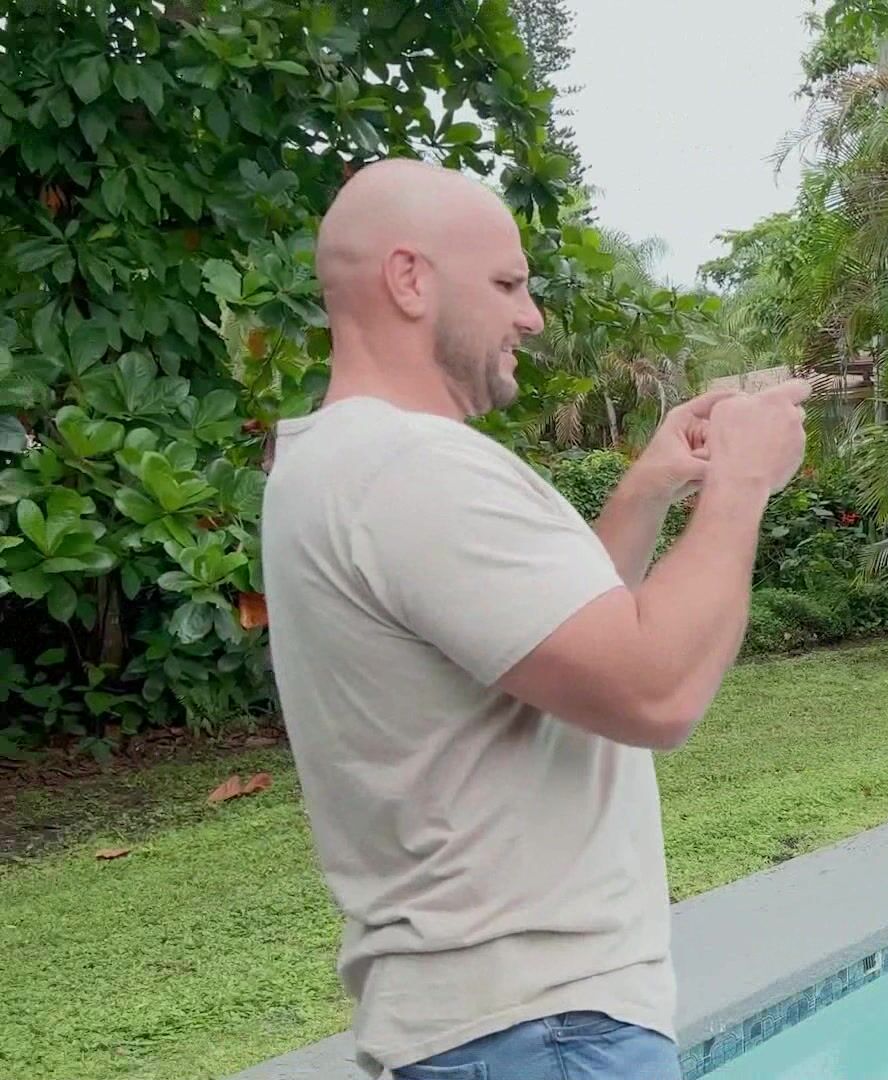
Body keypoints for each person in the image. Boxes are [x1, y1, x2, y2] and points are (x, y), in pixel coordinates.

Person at [260, 158, 807, 1080]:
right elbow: (655, 690)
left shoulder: (341, 463)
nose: (533, 317)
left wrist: (648, 488)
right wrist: (744, 483)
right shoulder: (412, 466)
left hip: (504, 1026)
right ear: (409, 280)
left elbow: (553, 641)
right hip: (543, 1031)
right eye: (508, 284)